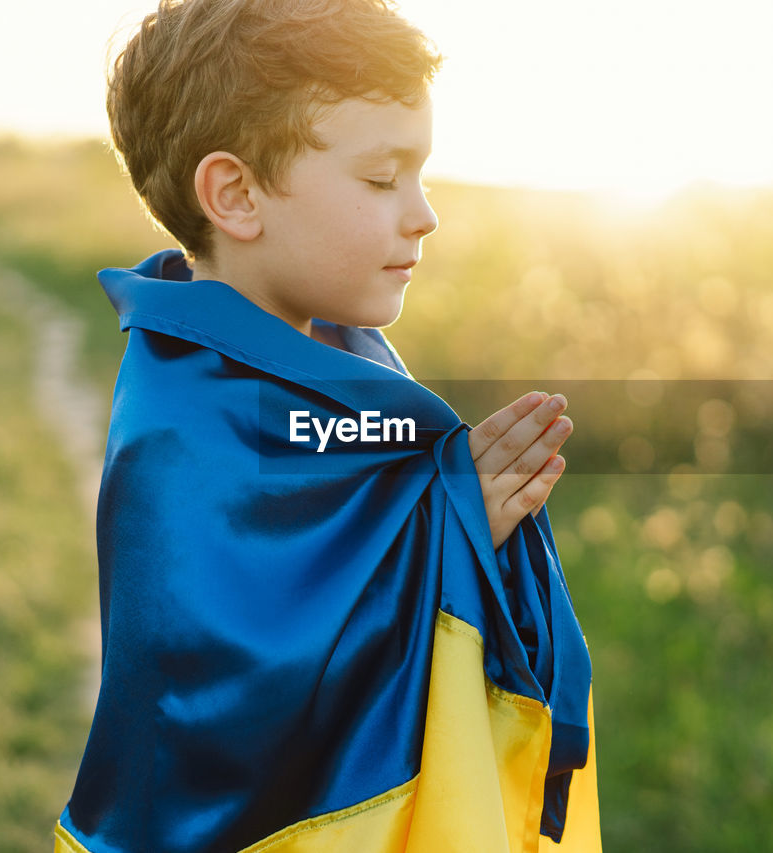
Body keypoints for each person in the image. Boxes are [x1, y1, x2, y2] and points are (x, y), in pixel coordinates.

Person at [55, 1, 600, 850]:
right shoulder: (179, 430)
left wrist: (450, 523)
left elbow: (355, 542)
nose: (423, 214)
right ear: (236, 194)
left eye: (422, 177)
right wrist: (446, 529)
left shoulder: (352, 367)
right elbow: (233, 684)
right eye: (383, 179)